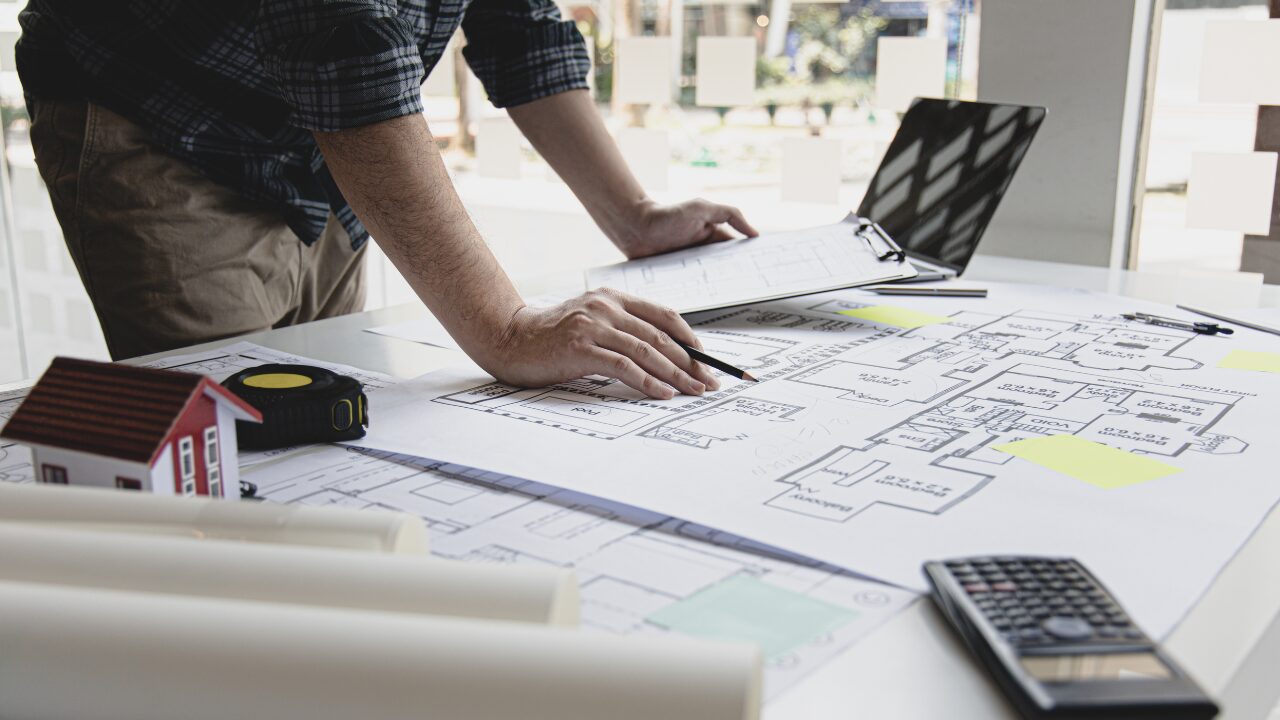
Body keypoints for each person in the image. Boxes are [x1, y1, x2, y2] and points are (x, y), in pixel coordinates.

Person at [16, 1, 757, 400]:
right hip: (162, 112)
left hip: (321, 142)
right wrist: (505, 328)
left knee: (329, 414)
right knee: (240, 440)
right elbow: (344, 49)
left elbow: (519, 25)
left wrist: (634, 215)